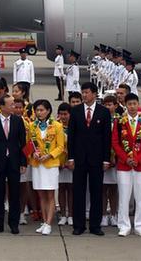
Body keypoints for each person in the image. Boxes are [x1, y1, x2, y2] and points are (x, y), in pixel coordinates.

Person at [68, 82, 112, 236]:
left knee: (96, 192)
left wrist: (106, 159)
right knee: (78, 192)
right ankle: (78, 225)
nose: (84, 95)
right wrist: (71, 157)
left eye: (87, 92)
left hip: (97, 159)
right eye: (83, 92)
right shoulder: (76, 111)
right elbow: (71, 137)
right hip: (79, 158)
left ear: (94, 94)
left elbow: (107, 138)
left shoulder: (103, 112)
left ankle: (95, 225)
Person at [111, 93, 141, 237]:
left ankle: (140, 225)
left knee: (140, 196)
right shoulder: (120, 121)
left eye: (135, 104)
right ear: (126, 105)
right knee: (124, 196)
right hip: (124, 164)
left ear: (138, 104)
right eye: (129, 104)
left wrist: (140, 158)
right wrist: (125, 158)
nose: (132, 107)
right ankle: (124, 225)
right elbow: (115, 143)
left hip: (140, 165)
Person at [0, 95, 26, 235]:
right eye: (11, 104)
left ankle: (13, 223)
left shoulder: (18, 121)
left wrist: (23, 162)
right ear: (2, 106)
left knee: (15, 193)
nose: (14, 107)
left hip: (14, 162)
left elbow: (23, 143)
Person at [27, 100, 65, 236]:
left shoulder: (57, 126)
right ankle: (43, 221)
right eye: (37, 110)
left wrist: (49, 155)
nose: (39, 113)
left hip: (50, 165)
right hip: (37, 164)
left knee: (49, 194)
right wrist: (33, 153)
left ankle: (49, 222)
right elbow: (29, 144)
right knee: (41, 194)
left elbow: (60, 146)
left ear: (48, 111)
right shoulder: (32, 126)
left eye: (42, 110)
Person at [13, 98, 35, 225]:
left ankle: (21, 213)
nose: (18, 110)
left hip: (25, 157)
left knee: (23, 186)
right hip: (11, 157)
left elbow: (32, 141)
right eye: (15, 107)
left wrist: (26, 156)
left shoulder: (29, 123)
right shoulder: (8, 121)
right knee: (10, 186)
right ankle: (13, 210)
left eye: (20, 107)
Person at [101, 95, 119, 227]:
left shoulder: (120, 120)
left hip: (116, 158)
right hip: (103, 159)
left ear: (116, 106)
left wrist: (115, 156)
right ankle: (103, 215)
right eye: (105, 105)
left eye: (110, 104)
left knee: (113, 189)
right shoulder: (100, 119)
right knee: (103, 189)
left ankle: (113, 214)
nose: (108, 107)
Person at [57, 103, 73, 226]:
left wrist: (71, 160)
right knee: (62, 189)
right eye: (61, 114)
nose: (63, 116)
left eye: (65, 114)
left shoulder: (75, 126)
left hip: (72, 163)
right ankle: (63, 215)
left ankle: (71, 214)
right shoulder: (56, 127)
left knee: (71, 189)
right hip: (59, 163)